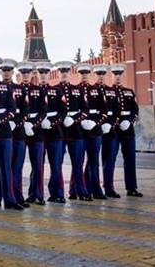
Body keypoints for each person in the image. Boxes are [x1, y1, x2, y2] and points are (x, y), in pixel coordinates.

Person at [0, 56, 23, 210]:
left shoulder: (6, 87)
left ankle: (10, 199)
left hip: (3, 129)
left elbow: (12, 109)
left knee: (5, 165)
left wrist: (0, 120)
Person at [112, 64, 142, 197]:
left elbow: (135, 110)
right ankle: (109, 188)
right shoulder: (108, 92)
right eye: (115, 75)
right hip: (113, 131)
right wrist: (118, 121)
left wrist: (129, 121)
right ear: (111, 76)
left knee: (130, 159)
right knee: (110, 159)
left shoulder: (129, 92)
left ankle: (131, 188)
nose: (117, 77)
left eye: (119, 75)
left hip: (128, 130)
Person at [25, 62, 52, 206]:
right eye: (23, 73)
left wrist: (34, 124)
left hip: (37, 132)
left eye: (28, 73)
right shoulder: (17, 89)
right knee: (16, 166)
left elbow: (43, 111)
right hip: (21, 132)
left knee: (38, 165)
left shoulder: (39, 91)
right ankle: (30, 194)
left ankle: (38, 194)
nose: (25, 75)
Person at [65, 63, 92, 202]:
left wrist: (74, 119)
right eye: (61, 71)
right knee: (56, 165)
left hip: (76, 132)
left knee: (78, 163)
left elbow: (85, 110)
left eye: (66, 71)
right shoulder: (55, 90)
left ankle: (80, 190)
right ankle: (63, 192)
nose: (64, 74)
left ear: (70, 73)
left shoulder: (76, 90)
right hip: (59, 132)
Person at [45, 61, 70, 203]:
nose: (43, 75)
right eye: (41, 73)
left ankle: (58, 193)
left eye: (45, 72)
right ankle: (37, 193)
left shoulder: (57, 91)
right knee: (38, 167)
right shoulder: (40, 90)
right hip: (40, 134)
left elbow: (63, 111)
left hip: (56, 133)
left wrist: (53, 123)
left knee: (56, 165)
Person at [83, 64, 109, 200]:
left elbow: (104, 111)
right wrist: (82, 121)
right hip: (81, 131)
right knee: (81, 161)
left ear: (89, 74)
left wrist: (96, 123)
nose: (84, 75)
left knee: (94, 161)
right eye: (82, 73)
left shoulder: (96, 91)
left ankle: (96, 189)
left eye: (86, 73)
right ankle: (83, 189)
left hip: (95, 131)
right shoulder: (76, 90)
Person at [10, 61, 32, 207]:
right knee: (1, 168)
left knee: (17, 167)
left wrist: (17, 123)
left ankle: (17, 196)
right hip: (2, 133)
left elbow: (25, 111)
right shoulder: (2, 87)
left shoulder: (20, 89)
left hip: (19, 134)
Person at [101, 65, 122, 198]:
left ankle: (109, 187)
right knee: (92, 161)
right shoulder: (90, 91)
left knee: (110, 160)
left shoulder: (111, 92)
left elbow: (117, 112)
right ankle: (92, 187)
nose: (100, 77)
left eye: (102, 74)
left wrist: (110, 124)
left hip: (110, 131)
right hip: (94, 131)